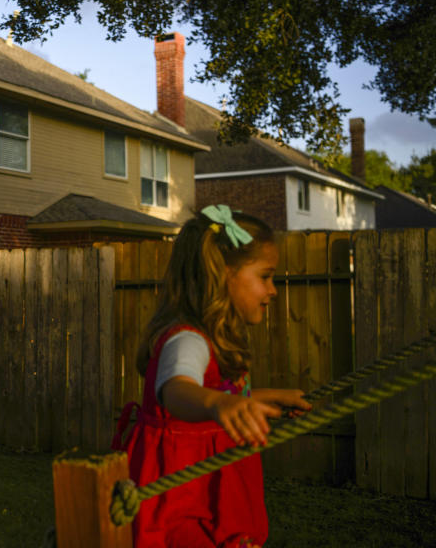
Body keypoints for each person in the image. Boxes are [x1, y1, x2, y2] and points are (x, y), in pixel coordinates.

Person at [113, 204, 311, 548]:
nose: (273, 289)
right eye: (265, 276)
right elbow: (175, 389)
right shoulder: (187, 339)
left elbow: (215, 395)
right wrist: (219, 404)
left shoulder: (212, 338)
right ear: (222, 275)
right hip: (184, 497)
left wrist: (261, 398)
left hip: (207, 486)